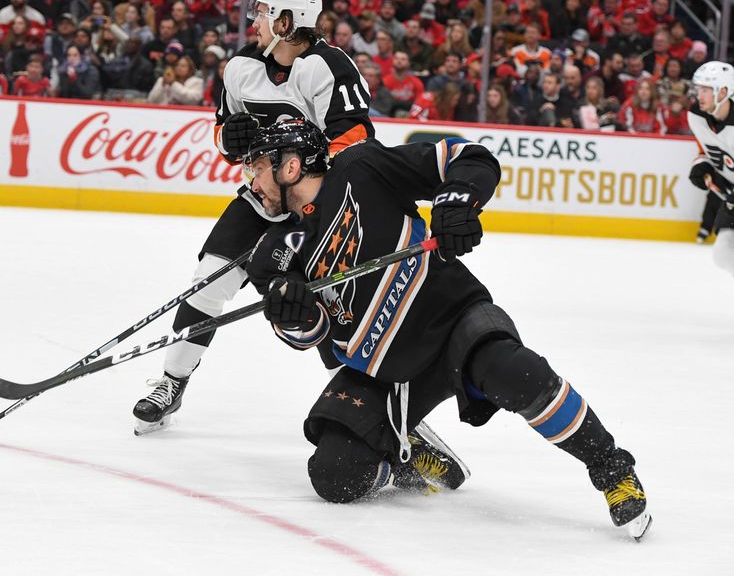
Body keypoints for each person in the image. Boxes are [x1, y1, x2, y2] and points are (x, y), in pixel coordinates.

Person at [243, 118, 652, 540]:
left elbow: (470, 158)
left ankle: (612, 468)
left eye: (255, 168)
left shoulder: (361, 168)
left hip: (450, 318)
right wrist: (297, 317)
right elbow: (311, 337)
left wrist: (456, 204)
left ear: (290, 167)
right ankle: (404, 453)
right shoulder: (272, 253)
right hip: (382, 368)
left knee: (517, 373)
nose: (250, 182)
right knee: (333, 476)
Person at [133, 0, 465, 481]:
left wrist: (298, 150)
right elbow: (224, 133)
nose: (256, 21)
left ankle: (398, 428)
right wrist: (235, 140)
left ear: (290, 19)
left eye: (265, 12)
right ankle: (171, 380)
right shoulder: (241, 67)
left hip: (317, 208)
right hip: (262, 199)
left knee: (326, 318)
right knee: (208, 280)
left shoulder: (330, 66)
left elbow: (356, 147)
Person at [686, 62, 734, 266]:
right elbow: (706, 148)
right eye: (699, 88)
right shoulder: (696, 115)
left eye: (706, 90)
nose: (699, 94)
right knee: (724, 253)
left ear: (723, 92)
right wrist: (702, 164)